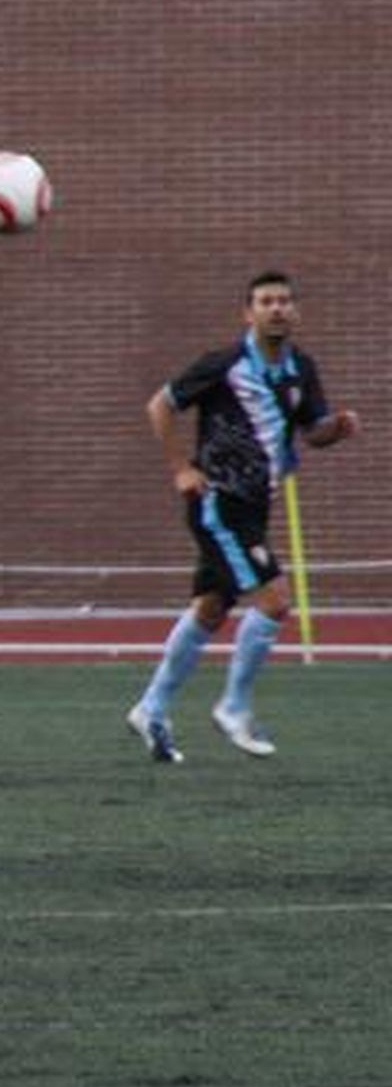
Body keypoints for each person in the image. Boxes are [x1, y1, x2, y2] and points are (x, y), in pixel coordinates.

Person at [127, 271, 358, 763]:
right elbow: (161, 406)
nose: (276, 308)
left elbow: (310, 431)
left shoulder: (301, 370)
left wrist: (334, 429)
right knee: (275, 601)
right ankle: (233, 707)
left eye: (284, 301)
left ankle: (151, 708)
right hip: (218, 503)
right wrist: (181, 468)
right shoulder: (224, 364)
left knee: (211, 609)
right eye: (265, 301)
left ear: (295, 312)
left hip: (257, 506)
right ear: (247, 313)